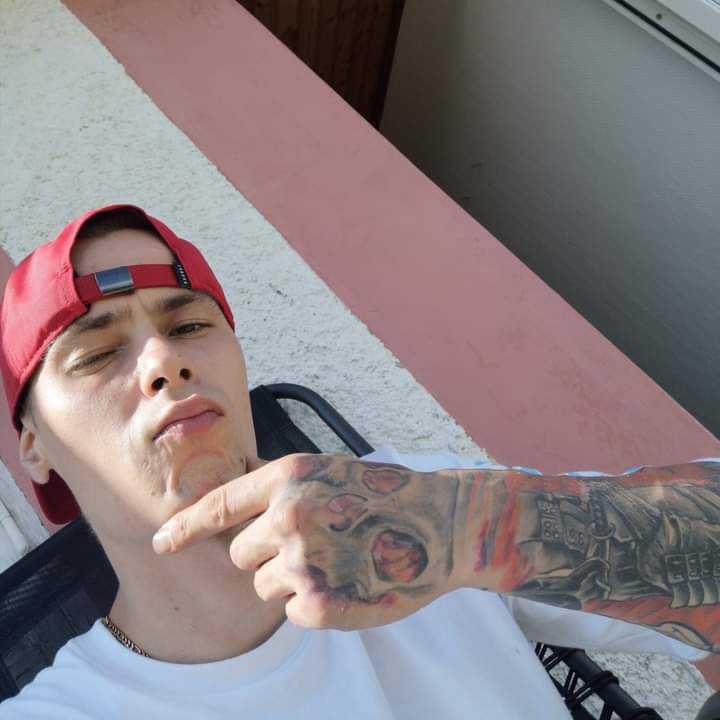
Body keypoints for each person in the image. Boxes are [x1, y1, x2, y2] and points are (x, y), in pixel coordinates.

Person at [0, 204, 713, 719]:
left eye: (189, 324)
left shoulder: (420, 503)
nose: (164, 359)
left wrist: (470, 530)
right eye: (95, 353)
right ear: (33, 445)